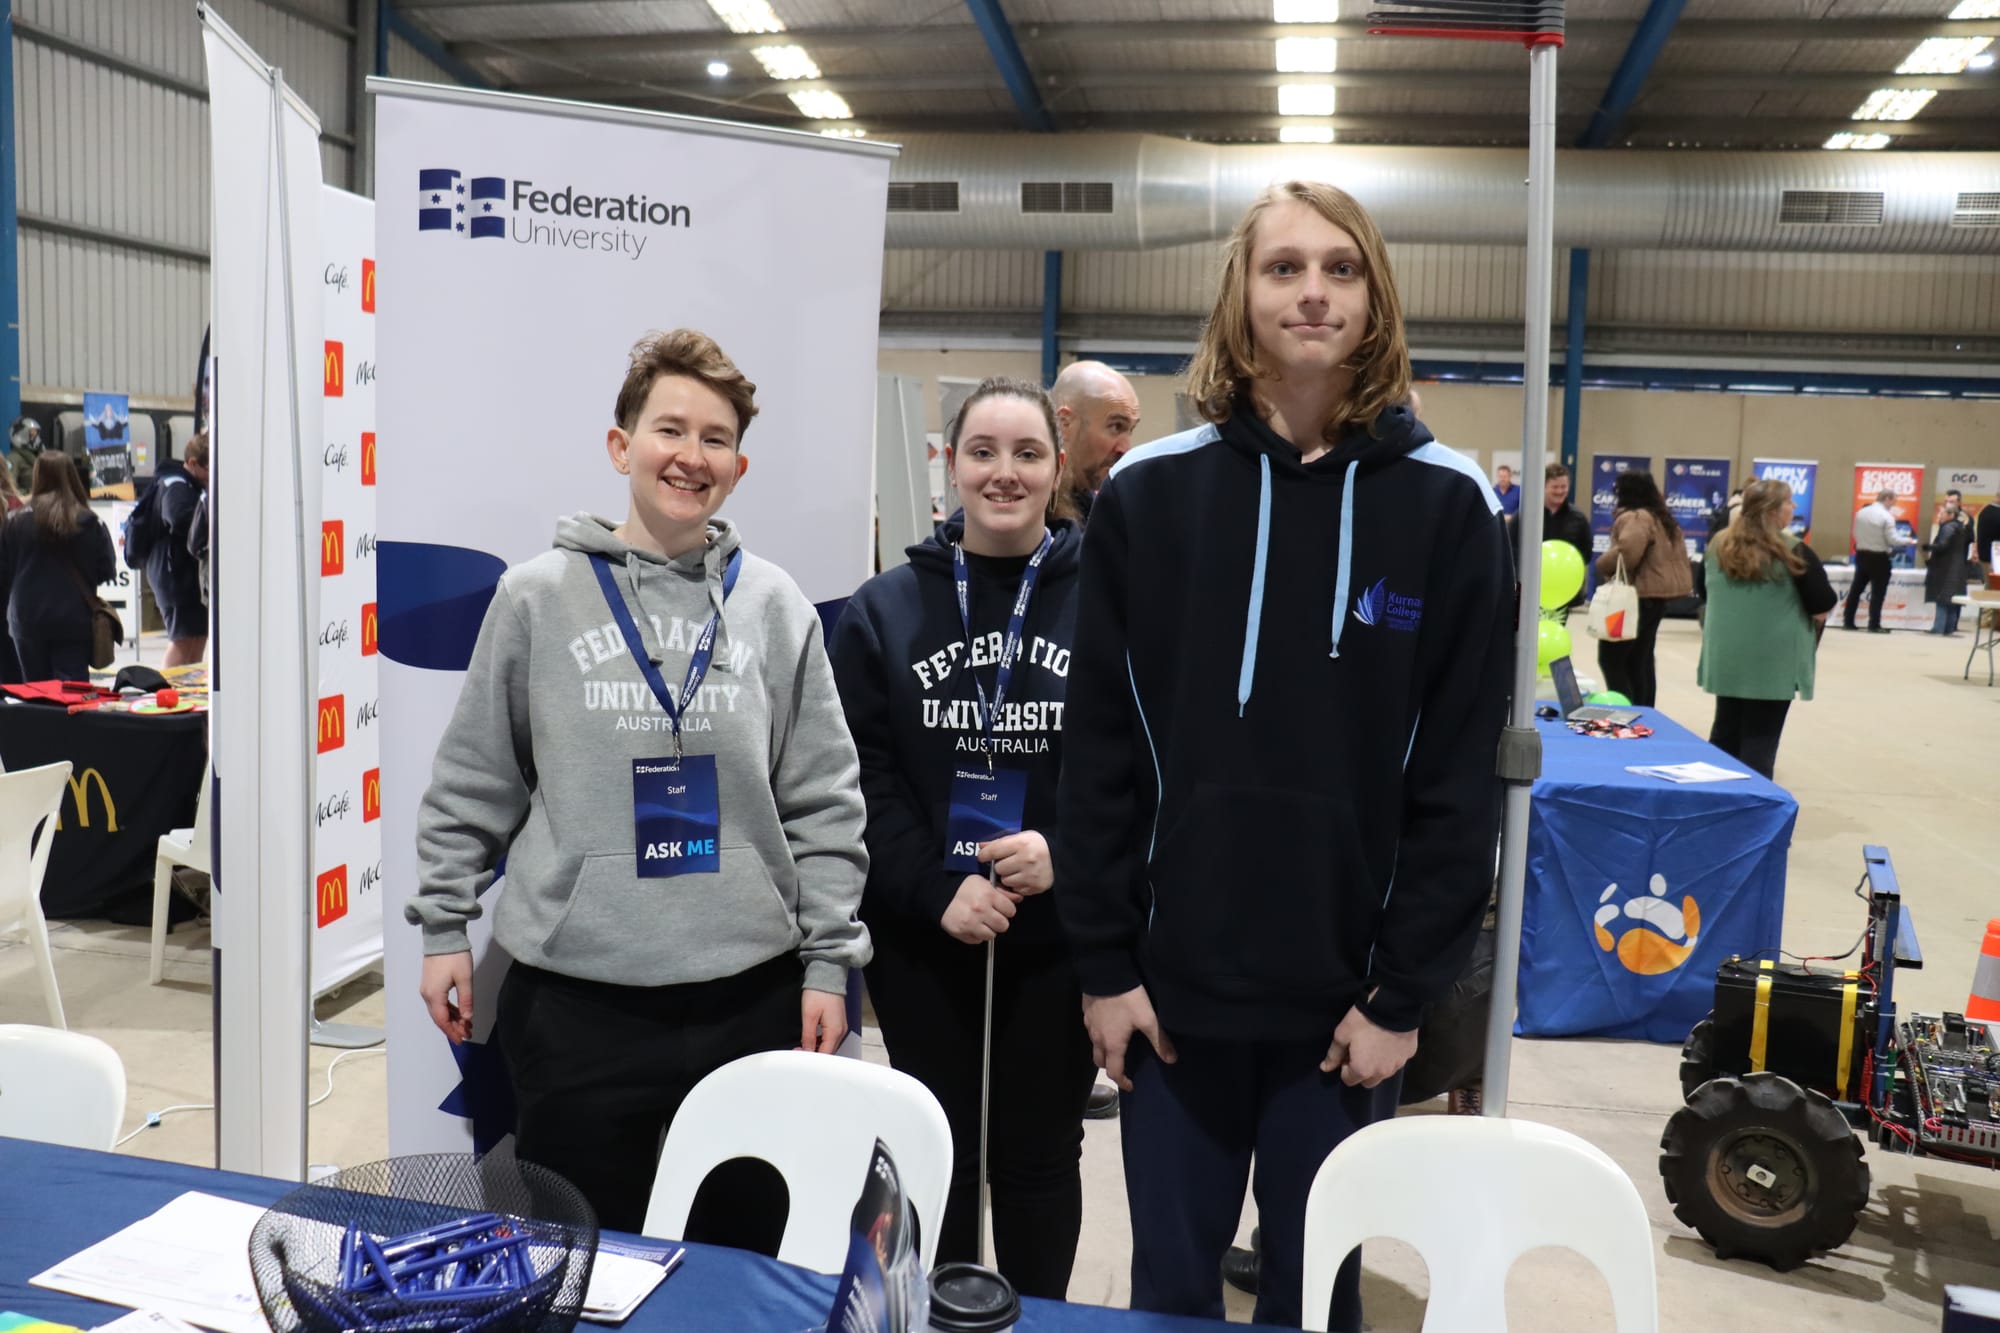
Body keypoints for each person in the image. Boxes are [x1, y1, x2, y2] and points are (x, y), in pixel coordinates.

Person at [1056, 180, 1512, 1331]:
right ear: (1240, 294)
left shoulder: (1449, 507)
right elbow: (1098, 750)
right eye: (1282, 267)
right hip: (1170, 1004)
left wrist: (1403, 995)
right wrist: (1104, 965)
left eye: (1339, 267)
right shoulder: (1149, 497)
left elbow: (1456, 785)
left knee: (1318, 1301)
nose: (1311, 290)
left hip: (1342, 1018)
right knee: (1165, 1293)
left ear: (1373, 296)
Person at [407, 329, 871, 1235]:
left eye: (714, 438)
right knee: (582, 1257)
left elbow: (824, 800)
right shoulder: (538, 596)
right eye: (670, 429)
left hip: (749, 993)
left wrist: (827, 962)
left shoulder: (774, 606)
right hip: (578, 1002)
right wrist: (442, 925)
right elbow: (474, 778)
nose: (690, 456)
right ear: (622, 445)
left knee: (741, 1257)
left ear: (738, 465)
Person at [830, 376, 1095, 1299]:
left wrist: (1062, 847)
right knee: (933, 1150)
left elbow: (1137, 762)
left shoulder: (1107, 602)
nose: (1005, 472)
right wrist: (934, 889)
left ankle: (1040, 1319)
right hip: (924, 936)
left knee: (1035, 1157)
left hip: (1052, 939)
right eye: (984, 451)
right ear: (951, 465)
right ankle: (928, 1315)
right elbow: (859, 777)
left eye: (1028, 453)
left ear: (1058, 468)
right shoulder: (884, 609)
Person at [1697, 480, 1835, 779]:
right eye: (1789, 502)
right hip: (1773, 664)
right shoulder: (1794, 550)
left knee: (1724, 736)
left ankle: (1713, 803)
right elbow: (1822, 602)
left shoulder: (1718, 544)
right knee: (1760, 742)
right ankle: (1752, 812)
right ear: (1774, 511)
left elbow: (1703, 592)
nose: (1794, 508)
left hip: (1727, 658)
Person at [0, 453, 116, 681]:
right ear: (71, 476)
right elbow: (106, 569)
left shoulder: (15, 522)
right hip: (73, 621)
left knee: (33, 694)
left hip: (25, 619)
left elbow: (3, 571)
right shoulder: (89, 521)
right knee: (72, 695)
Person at [1592, 470, 1691, 708]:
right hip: (1656, 599)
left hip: (1634, 598)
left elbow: (1627, 552)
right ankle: (1644, 711)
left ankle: (1622, 710)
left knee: (1611, 658)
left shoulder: (1636, 518)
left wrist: (1601, 563)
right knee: (1641, 660)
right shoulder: (1662, 519)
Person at [142, 434, 209, 666]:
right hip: (173, 574)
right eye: (208, 468)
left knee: (196, 638)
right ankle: (168, 693)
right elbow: (178, 518)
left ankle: (186, 692)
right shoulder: (176, 484)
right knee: (183, 640)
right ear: (192, 463)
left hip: (181, 573)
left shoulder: (186, 484)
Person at [1050, 360, 1141, 522]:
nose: (1126, 448)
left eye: (1130, 430)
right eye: (1116, 426)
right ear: (1065, 423)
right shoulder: (1032, 510)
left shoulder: (1098, 510)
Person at [1844, 488, 1915, 633]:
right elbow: (1892, 539)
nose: (1895, 503)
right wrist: (1908, 541)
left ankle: (1848, 621)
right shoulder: (1886, 516)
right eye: (1894, 500)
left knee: (1856, 590)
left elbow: (1855, 533)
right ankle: (1874, 624)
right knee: (1878, 593)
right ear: (1887, 498)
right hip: (1879, 557)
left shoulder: (1860, 513)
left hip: (1862, 554)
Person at [1528, 462, 1591, 611]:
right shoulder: (1528, 515)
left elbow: (1586, 553)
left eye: (1564, 487)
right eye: (1555, 487)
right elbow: (1513, 547)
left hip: (1563, 591)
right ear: (1544, 486)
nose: (1560, 491)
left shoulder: (1578, 518)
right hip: (1532, 590)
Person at [1924, 496, 1972, 636]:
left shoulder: (1948, 527)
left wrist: (1929, 547)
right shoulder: (1962, 527)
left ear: (1951, 515)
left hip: (1945, 569)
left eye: (1943, 514)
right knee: (1952, 600)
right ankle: (1949, 629)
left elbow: (1943, 545)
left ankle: (1938, 628)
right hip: (1958, 568)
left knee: (1942, 598)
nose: (1940, 516)